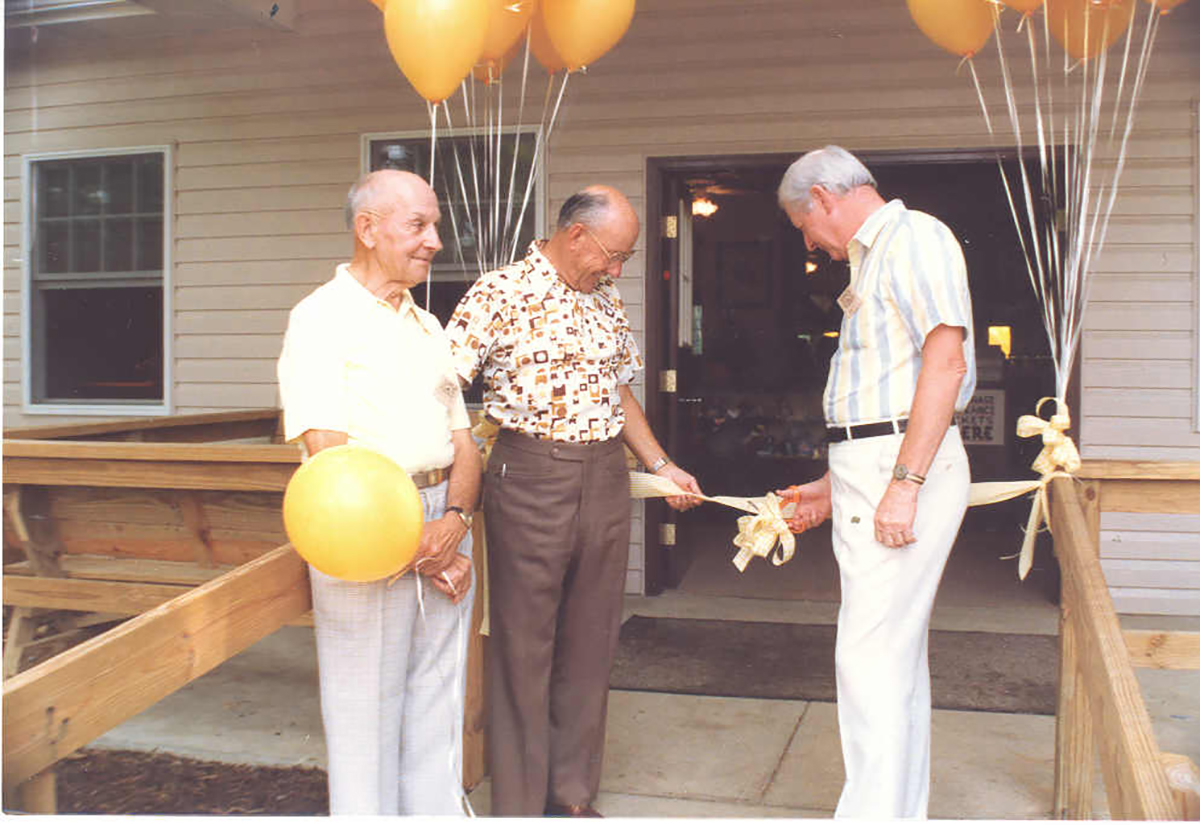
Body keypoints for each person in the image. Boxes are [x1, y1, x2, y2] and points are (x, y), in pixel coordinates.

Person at [446, 186, 703, 818]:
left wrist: (662, 465)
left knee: (591, 644)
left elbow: (619, 393)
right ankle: (520, 805)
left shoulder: (605, 299)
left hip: (605, 479)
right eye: (613, 256)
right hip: (529, 474)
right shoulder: (499, 292)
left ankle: (573, 799)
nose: (617, 270)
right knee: (525, 647)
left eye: (626, 259)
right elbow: (441, 385)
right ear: (576, 235)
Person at [776, 146, 976, 819]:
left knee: (869, 656)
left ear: (824, 199)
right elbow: (880, 392)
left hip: (903, 465)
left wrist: (906, 481)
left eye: (804, 225)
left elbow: (944, 366)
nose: (810, 242)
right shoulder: (875, 255)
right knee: (889, 655)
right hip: (877, 465)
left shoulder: (916, 237)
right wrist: (834, 486)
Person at [276, 169, 480, 815]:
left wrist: (454, 521)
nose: (436, 241)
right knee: (365, 710)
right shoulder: (319, 318)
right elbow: (328, 460)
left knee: (436, 701)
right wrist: (420, 543)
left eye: (436, 225)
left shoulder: (428, 326)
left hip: (442, 518)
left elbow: (465, 443)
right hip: (361, 529)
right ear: (368, 228)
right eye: (419, 225)